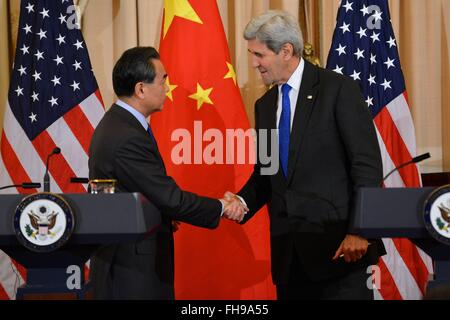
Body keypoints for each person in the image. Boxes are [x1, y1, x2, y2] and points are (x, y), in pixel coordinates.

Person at [225, 11, 386, 300]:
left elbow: (366, 166)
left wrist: (360, 231)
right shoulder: (265, 105)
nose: (254, 64)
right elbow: (266, 172)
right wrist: (240, 201)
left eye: (259, 54)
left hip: (341, 253)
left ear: (286, 50)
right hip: (290, 260)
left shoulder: (337, 89)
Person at [88, 47, 245, 299]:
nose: (167, 88)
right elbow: (171, 199)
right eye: (163, 80)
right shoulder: (126, 136)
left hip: (131, 263)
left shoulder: (120, 125)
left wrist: (159, 213)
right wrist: (222, 207)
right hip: (131, 272)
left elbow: (135, 194)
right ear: (141, 89)